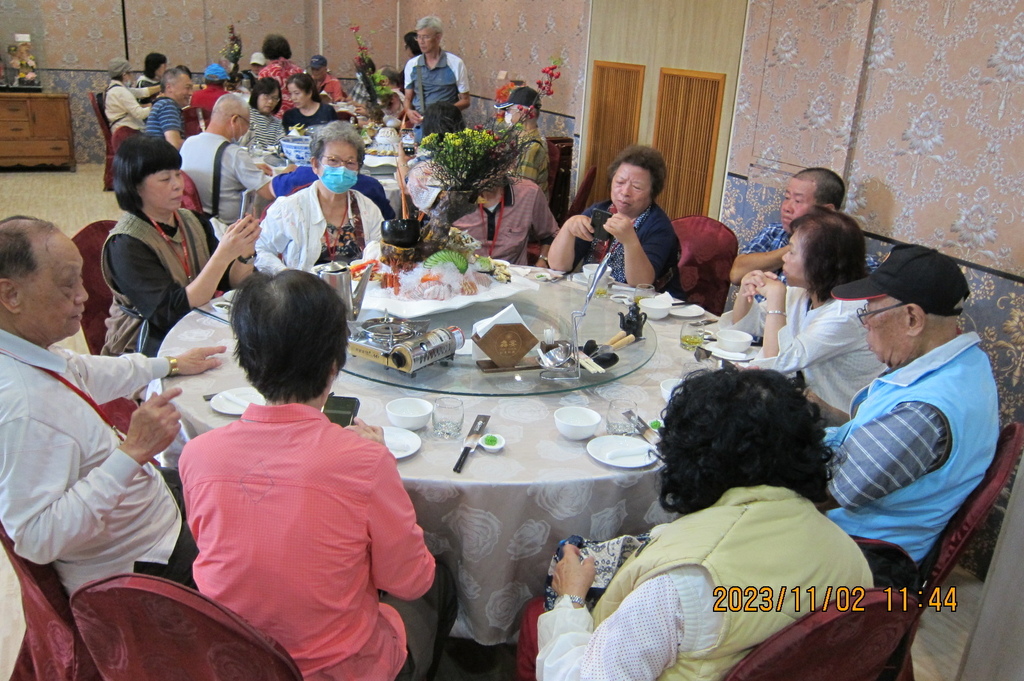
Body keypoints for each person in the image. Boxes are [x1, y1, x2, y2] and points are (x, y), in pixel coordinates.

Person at [179, 269, 456, 681]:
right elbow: (410, 581)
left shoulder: (197, 455)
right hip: (340, 670)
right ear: (334, 365)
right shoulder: (365, 462)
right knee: (439, 581)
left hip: (236, 662)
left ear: (247, 359)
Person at [536, 368, 872, 680]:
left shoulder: (680, 585)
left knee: (540, 607)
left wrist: (571, 603)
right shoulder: (849, 554)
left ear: (689, 459)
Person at [0, 215, 225, 594]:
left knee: (222, 483)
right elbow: (37, 539)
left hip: (145, 510)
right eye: (67, 285)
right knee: (260, 549)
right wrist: (132, 452)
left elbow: (84, 370)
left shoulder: (24, 348)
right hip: (140, 564)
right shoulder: (23, 407)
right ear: (11, 295)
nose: (83, 296)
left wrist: (170, 363)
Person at [821, 244, 999, 564]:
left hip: (860, 556)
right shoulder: (968, 363)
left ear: (913, 318)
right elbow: (870, 437)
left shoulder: (923, 413)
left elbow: (828, 490)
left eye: (868, 314)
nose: (865, 328)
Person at [102, 136, 260, 357]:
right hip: (144, 346)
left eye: (178, 174)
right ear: (135, 186)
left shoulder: (192, 220)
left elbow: (230, 282)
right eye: (165, 179)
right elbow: (167, 312)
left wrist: (245, 252)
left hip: (197, 326)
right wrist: (223, 255)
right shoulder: (126, 244)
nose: (179, 185)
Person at [722, 207, 884, 412]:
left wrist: (776, 297)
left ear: (820, 262)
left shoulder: (848, 313)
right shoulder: (806, 292)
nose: (784, 259)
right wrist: (746, 289)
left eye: (791, 252)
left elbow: (776, 366)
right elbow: (746, 328)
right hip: (802, 403)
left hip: (837, 420)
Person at [547, 145, 683, 297]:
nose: (625, 192)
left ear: (653, 192)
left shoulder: (658, 226)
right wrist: (568, 228)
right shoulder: (600, 211)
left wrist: (630, 241)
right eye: (619, 182)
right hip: (596, 298)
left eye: (636, 187)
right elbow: (558, 266)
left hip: (642, 309)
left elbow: (641, 284)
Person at [257, 121, 384, 272]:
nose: (342, 169)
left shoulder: (367, 209)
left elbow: (381, 249)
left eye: (350, 163)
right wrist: (286, 275)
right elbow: (261, 249)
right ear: (315, 165)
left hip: (357, 292)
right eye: (333, 160)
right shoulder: (290, 208)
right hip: (304, 292)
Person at [729, 167, 845, 285]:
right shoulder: (775, 232)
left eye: (798, 201)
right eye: (787, 198)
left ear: (827, 211)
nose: (787, 208)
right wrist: (796, 246)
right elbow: (736, 275)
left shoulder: (840, 254)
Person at [180, 94, 273, 223]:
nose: (246, 130)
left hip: (193, 220)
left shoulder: (189, 143)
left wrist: (251, 167)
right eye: (247, 123)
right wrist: (287, 173)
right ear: (235, 120)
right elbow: (268, 192)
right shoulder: (233, 154)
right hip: (224, 227)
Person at [453, 178, 558, 265]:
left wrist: (543, 259)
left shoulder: (529, 193)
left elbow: (550, 235)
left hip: (513, 278)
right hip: (464, 276)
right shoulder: (452, 196)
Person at [403, 15, 471, 126]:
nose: (421, 41)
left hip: (448, 124)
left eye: (425, 37)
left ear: (438, 37)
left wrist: (443, 111)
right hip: (422, 123)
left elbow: (466, 101)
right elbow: (407, 98)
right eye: (418, 37)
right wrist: (409, 111)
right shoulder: (412, 65)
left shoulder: (455, 63)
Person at [496, 86, 549, 195]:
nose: (507, 113)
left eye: (510, 109)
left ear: (524, 112)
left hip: (524, 207)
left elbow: (522, 192)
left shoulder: (530, 147)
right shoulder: (521, 138)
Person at [104, 58, 158, 152]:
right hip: (126, 132)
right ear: (124, 75)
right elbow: (140, 114)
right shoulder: (120, 92)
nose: (132, 76)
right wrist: (156, 105)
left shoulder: (116, 88)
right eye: (131, 73)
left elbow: (142, 92)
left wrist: (162, 86)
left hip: (123, 129)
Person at [144, 66, 193, 150]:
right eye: (187, 88)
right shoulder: (167, 105)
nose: (191, 93)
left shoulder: (163, 103)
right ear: (169, 87)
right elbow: (174, 144)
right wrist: (197, 143)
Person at [257, 34, 303, 117]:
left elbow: (262, 99)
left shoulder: (265, 73)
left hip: (274, 117)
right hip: (297, 115)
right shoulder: (298, 70)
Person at [244, 77, 286, 150]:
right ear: (256, 95)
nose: (270, 101)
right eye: (266, 96)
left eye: (275, 98)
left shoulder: (277, 123)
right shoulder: (244, 115)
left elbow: (281, 146)